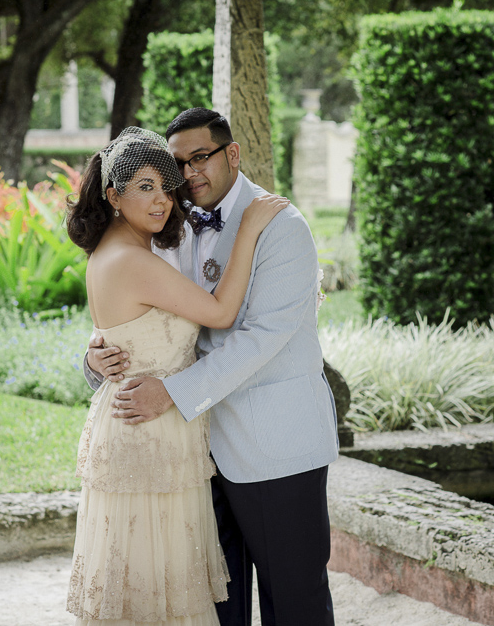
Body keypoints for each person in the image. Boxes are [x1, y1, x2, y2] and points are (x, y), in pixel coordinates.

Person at [86, 109, 339, 626]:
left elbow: (260, 339)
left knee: (294, 602)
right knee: (216, 608)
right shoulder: (164, 224)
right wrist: (95, 358)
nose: (189, 174)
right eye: (178, 164)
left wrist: (173, 393)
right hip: (193, 456)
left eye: (199, 157)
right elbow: (138, 313)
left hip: (274, 448)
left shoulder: (282, 226)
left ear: (233, 154)